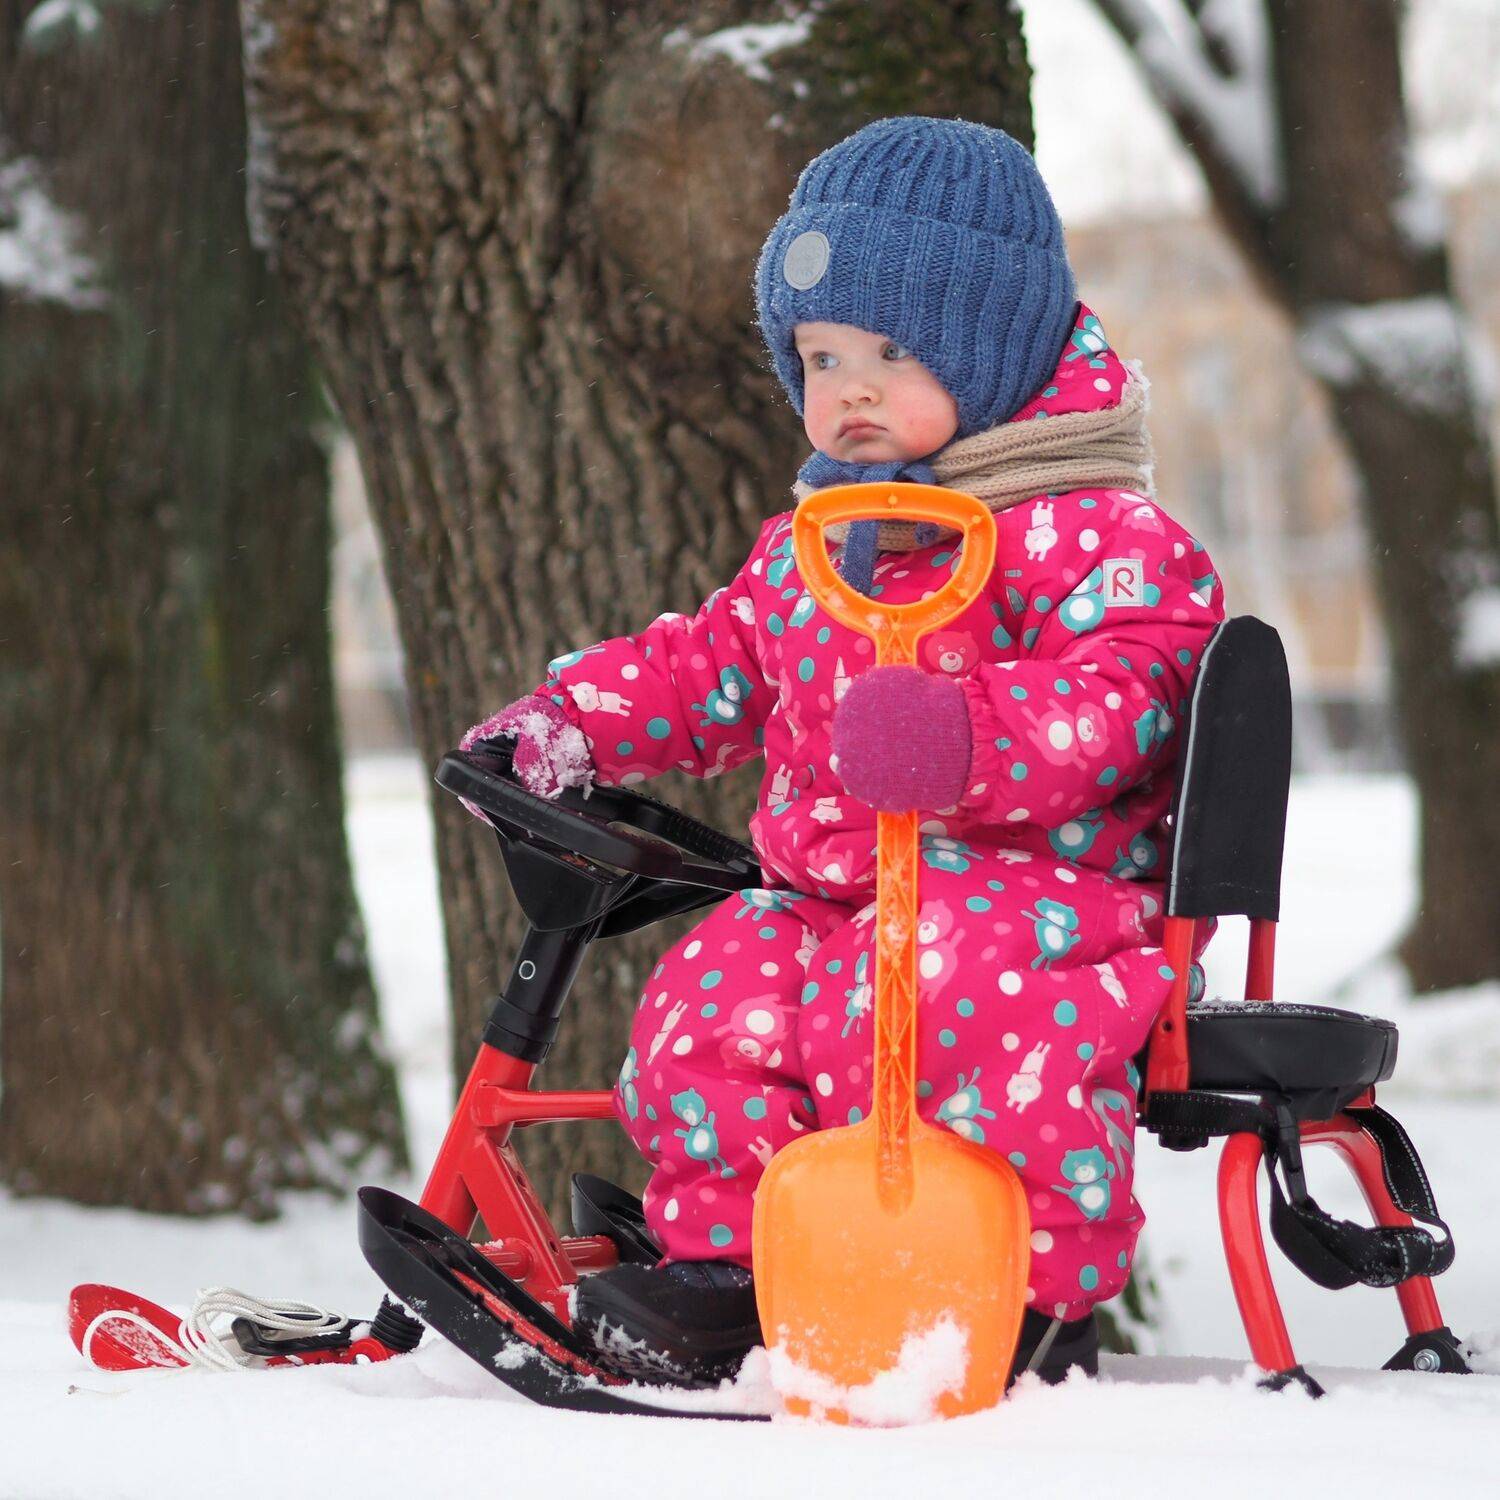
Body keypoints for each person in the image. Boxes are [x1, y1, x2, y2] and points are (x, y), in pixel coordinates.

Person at [463, 116, 1224, 1387]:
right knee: (715, 995)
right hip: (831, 894)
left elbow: (1133, 694)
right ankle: (738, 1269)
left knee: (948, 989)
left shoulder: (1095, 534)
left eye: (892, 353)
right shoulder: (823, 542)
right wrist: (572, 720)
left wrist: (967, 738)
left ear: (994, 350)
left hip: (1041, 900)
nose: (850, 389)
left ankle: (1019, 1291)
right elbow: (709, 664)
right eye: (820, 357)